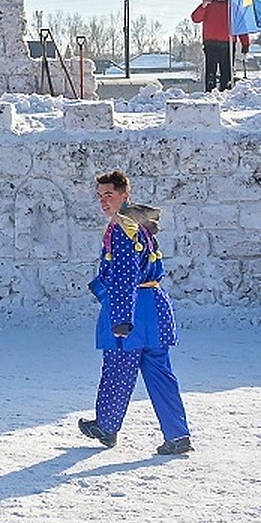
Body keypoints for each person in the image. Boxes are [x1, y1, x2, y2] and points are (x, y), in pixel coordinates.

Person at [78, 169, 192, 456]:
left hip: (134, 311)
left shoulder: (122, 229)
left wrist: (121, 319)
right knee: (160, 373)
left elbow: (124, 278)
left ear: (124, 194)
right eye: (100, 196)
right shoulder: (140, 224)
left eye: (109, 195)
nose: (104, 201)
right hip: (155, 308)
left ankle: (106, 426)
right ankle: (178, 436)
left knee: (118, 369)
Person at [191, 0, 250, 91]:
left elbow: (240, 26)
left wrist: (245, 43)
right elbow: (195, 18)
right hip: (211, 44)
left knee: (227, 72)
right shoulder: (208, 6)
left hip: (228, 44)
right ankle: (209, 92)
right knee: (211, 71)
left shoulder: (233, 8)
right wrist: (203, 5)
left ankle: (226, 92)